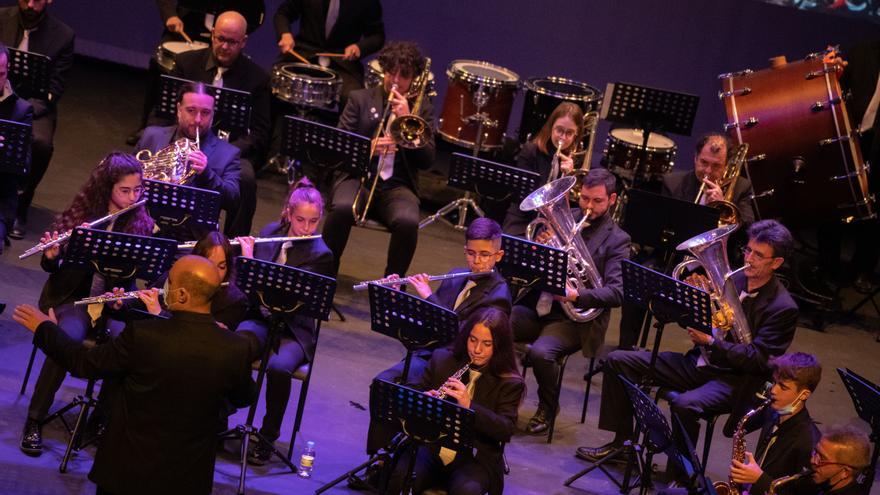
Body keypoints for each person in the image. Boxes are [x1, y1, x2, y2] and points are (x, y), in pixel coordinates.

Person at [12, 255, 256, 495]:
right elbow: (244, 397)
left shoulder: (144, 335)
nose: (164, 287)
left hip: (127, 471)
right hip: (187, 477)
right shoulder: (235, 348)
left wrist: (46, 329)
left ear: (182, 294)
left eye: (169, 282)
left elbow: (83, 364)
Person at [578, 220, 798, 483]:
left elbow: (761, 360)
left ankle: (681, 477)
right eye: (748, 251)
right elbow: (705, 324)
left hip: (734, 381)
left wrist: (712, 342)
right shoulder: (735, 279)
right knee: (617, 361)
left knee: (685, 404)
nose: (749, 259)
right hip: (700, 362)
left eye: (758, 255)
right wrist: (691, 302)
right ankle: (623, 445)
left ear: (776, 263)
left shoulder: (783, 307)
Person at [19, 152, 155, 457]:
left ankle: (100, 422)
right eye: (125, 190)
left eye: (138, 190)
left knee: (127, 343)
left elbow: (140, 276)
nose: (134, 196)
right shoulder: (81, 217)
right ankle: (35, 419)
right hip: (74, 298)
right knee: (64, 338)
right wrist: (51, 257)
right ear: (107, 187)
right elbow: (53, 271)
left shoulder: (142, 223)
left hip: (111, 305)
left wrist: (122, 295)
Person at [361, 218, 513, 458]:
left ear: (499, 255)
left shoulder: (499, 295)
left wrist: (429, 296)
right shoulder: (455, 275)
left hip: (456, 363)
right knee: (383, 384)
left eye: (485, 254)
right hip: (428, 353)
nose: (477, 261)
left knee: (403, 393)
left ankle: (398, 453)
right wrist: (398, 297)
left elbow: (462, 336)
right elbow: (430, 324)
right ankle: (380, 456)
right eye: (471, 253)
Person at [512, 168, 631, 435]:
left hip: (574, 319)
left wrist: (577, 295)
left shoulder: (618, 240)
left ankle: (548, 406)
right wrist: (539, 250)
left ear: (612, 200)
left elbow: (616, 293)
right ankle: (501, 396)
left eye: (597, 201)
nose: (588, 206)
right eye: (585, 198)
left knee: (541, 353)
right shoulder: (562, 219)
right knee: (494, 324)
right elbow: (528, 266)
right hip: (540, 306)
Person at [617, 132, 756, 350]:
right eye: (703, 163)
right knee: (637, 280)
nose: (708, 171)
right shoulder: (674, 182)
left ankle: (707, 359)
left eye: (716, 166)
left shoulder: (741, 188)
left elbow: (749, 229)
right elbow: (659, 231)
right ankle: (625, 351)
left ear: (727, 165)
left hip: (714, 272)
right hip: (674, 261)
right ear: (695, 158)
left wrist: (724, 203)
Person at [235, 177, 334, 465]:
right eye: (300, 220)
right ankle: (228, 407)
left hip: (293, 328)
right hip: (262, 319)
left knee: (278, 368)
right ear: (288, 213)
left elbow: (304, 306)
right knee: (235, 347)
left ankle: (267, 435)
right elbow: (247, 289)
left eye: (313, 221)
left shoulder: (321, 254)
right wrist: (249, 261)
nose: (306, 228)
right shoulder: (269, 234)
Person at [323, 41, 435, 278]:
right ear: (383, 69)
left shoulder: (422, 109)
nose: (395, 79)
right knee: (342, 208)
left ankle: (391, 285)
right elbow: (339, 148)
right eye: (391, 71)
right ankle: (324, 274)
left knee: (407, 221)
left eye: (404, 75)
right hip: (357, 178)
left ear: (413, 78)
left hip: (397, 186)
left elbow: (427, 160)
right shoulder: (359, 99)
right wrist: (368, 148)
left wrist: (408, 118)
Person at [385, 307, 525, 495]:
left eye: (487, 344)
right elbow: (415, 392)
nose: (477, 350)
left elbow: (505, 429)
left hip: (474, 457)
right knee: (399, 478)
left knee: (466, 492)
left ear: (498, 346)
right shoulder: (443, 359)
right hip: (431, 445)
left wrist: (469, 406)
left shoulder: (509, 381)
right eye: (473, 340)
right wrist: (424, 399)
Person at [168, 11, 270, 237]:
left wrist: (229, 151)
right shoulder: (187, 63)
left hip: (231, 149)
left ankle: (232, 245)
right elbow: (167, 112)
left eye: (232, 42)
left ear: (243, 42)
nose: (225, 46)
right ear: (212, 35)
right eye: (221, 39)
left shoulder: (257, 79)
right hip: (186, 140)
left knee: (245, 178)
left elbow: (260, 133)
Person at [0, 0, 74, 240]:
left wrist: (20, 108)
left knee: (41, 142)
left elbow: (55, 88)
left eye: (37, 0)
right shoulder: (1, 17)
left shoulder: (63, 35)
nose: (30, 4)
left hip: (34, 103)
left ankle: (21, 202)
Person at [136, 81, 241, 236]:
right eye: (191, 110)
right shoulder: (151, 135)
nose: (198, 119)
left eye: (205, 113)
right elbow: (125, 175)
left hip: (192, 236)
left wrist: (207, 173)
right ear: (179, 110)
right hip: (144, 225)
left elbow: (232, 200)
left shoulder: (228, 153)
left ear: (213, 114)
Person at [728, 352, 822, 495]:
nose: (773, 390)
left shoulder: (808, 442)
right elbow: (730, 430)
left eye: (783, 387)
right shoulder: (773, 413)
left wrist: (760, 480)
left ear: (804, 394)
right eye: (775, 382)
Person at [273, 0, 385, 101]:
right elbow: (283, 13)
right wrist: (285, 34)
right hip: (305, 53)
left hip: (342, 64)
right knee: (272, 84)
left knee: (353, 98)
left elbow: (377, 36)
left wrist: (359, 47)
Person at [502, 101, 585, 236]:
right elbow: (524, 195)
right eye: (559, 130)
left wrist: (569, 178)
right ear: (551, 127)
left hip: (553, 224)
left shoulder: (575, 161)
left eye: (569, 133)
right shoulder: (530, 151)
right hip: (522, 218)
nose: (563, 137)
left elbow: (571, 207)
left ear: (576, 134)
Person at [0, 42, 34, 251]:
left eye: (0, 73)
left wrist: (4, 151)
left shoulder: (21, 110)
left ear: (7, 70)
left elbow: (24, 165)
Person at [808, 426, 872, 495]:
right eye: (815, 452)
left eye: (822, 458)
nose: (812, 460)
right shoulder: (819, 480)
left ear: (845, 472)